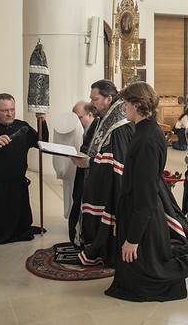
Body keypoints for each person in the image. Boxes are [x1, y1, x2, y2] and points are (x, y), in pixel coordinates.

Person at [105, 82, 188, 302]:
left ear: (138, 105)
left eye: (126, 103)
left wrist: (133, 236)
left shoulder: (147, 138)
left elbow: (146, 192)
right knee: (150, 263)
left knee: (155, 272)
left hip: (145, 212)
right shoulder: (144, 130)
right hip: (138, 210)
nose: (123, 108)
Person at [69, 79, 134, 266]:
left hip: (113, 185)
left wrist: (87, 162)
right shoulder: (105, 119)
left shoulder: (119, 125)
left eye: (95, 99)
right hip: (101, 181)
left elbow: (117, 161)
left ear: (109, 99)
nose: (91, 103)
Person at [0, 93, 40, 244]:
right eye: (4, 110)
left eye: (12, 110)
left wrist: (41, 121)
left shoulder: (21, 126)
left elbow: (39, 140)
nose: (9, 114)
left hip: (17, 181)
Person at [68, 101, 98, 245]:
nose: (77, 122)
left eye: (79, 118)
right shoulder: (87, 128)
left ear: (90, 115)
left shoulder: (96, 127)